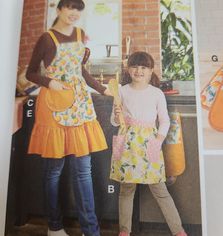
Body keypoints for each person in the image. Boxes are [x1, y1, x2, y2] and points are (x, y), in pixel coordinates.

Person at [26, 0, 109, 235]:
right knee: (54, 171)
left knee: (83, 169)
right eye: (69, 7)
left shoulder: (82, 34)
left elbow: (80, 71)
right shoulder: (46, 38)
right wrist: (49, 81)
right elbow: (32, 72)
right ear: (59, 10)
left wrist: (103, 89)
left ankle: (90, 230)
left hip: (80, 104)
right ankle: (54, 227)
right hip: (53, 105)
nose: (74, 13)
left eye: (78, 9)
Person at [110, 51, 187, 236]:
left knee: (160, 189)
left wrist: (158, 140)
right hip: (127, 144)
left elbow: (165, 120)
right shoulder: (121, 91)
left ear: (151, 70)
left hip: (149, 143)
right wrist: (116, 113)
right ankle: (124, 231)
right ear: (128, 69)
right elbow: (114, 121)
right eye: (135, 66)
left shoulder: (157, 93)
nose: (139, 70)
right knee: (126, 189)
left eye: (144, 67)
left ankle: (178, 231)